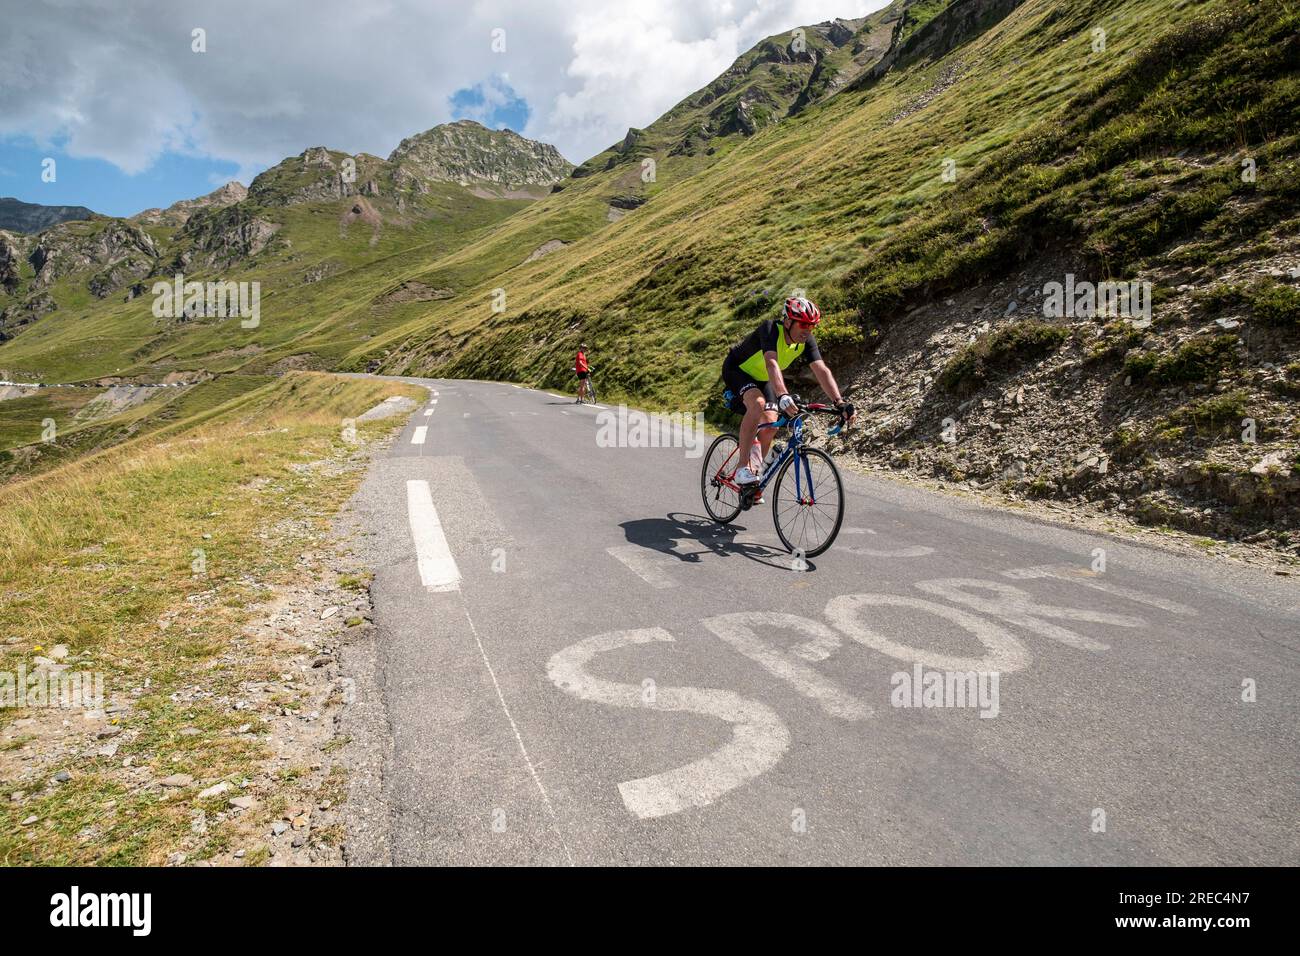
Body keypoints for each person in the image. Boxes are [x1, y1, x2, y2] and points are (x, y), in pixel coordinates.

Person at [721, 296, 855, 486]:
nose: (807, 330)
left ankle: (753, 475)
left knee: (770, 427)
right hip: (737, 370)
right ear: (788, 321)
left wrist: (839, 402)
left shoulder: (806, 340)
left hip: (763, 378)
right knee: (757, 404)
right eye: (803, 324)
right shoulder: (769, 330)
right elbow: (771, 363)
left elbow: (821, 370)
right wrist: (783, 394)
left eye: (812, 326)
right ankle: (742, 469)